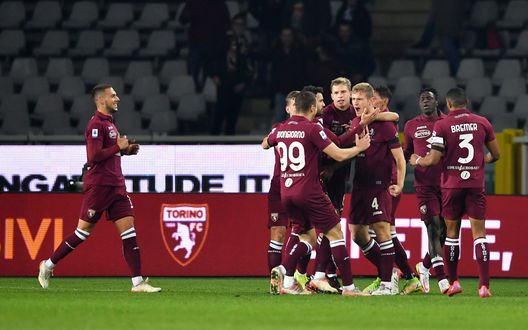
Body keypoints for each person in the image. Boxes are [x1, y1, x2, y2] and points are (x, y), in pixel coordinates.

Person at [38, 84, 161, 293]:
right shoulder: (96, 124)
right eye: (113, 96)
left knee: (129, 232)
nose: (118, 98)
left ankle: (138, 283)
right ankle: (47, 265)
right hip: (100, 186)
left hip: (117, 186)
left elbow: (108, 153)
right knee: (82, 232)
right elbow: (93, 156)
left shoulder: (110, 124)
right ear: (101, 100)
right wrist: (118, 147)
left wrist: (126, 151)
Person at [262, 91, 370, 296]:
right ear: (312, 108)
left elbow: (265, 144)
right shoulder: (312, 129)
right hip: (309, 191)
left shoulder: (280, 129)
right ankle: (349, 287)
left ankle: (285, 274)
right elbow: (337, 153)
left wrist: (270, 140)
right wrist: (359, 148)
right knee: (336, 232)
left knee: (307, 237)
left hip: (287, 193)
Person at [410, 87, 500, 298]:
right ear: (466, 102)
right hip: (476, 185)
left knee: (451, 236)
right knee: (480, 236)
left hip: (451, 186)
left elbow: (432, 160)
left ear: (448, 105)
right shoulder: (482, 122)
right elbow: (496, 155)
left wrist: (417, 160)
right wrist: (480, 162)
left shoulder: (442, 125)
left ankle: (454, 283)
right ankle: (484, 285)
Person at [347, 83, 404, 295]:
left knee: (382, 231)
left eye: (359, 99)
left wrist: (399, 182)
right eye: (354, 99)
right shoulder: (355, 122)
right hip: (359, 186)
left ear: (371, 101)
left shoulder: (386, 125)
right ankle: (390, 273)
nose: (355, 103)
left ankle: (388, 284)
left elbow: (400, 159)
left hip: (379, 186)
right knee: (357, 234)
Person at [369, 85, 422, 295]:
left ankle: (395, 276)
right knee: (383, 232)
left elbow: (394, 115)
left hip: (388, 183)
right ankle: (405, 276)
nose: (370, 102)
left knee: (383, 232)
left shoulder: (388, 121)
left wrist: (399, 184)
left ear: (384, 102)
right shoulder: (368, 120)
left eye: (374, 99)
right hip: (373, 183)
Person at [404, 88, 450, 294]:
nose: (425, 102)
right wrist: (409, 161)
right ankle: (442, 280)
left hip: (447, 184)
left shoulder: (447, 123)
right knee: (433, 227)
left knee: (446, 233)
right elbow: (406, 154)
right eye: (421, 99)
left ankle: (423, 266)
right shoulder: (411, 125)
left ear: (436, 101)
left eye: (428, 99)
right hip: (424, 186)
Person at [267, 91, 300, 276]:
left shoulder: (310, 127)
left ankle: (292, 278)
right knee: (278, 235)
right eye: (293, 104)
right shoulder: (278, 128)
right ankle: (275, 281)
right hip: (279, 186)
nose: (296, 108)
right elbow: (265, 143)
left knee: (302, 233)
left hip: (301, 187)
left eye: (299, 104)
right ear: (287, 108)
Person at [211, 13, 254, 135]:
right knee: (219, 116)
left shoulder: (245, 43)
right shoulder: (223, 39)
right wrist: (214, 75)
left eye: (241, 25)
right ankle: (210, 145)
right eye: (236, 24)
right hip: (224, 82)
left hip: (238, 85)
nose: (238, 27)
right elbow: (213, 58)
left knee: (232, 118)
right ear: (232, 25)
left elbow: (250, 66)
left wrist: (244, 83)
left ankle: (229, 147)